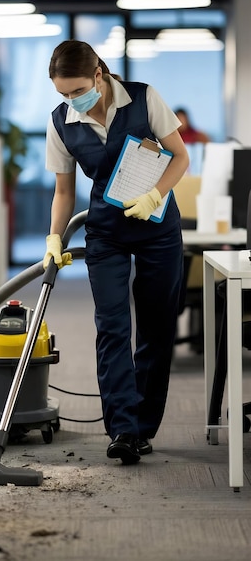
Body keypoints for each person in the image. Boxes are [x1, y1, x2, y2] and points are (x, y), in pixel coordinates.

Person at [43, 40, 189, 465]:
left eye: (77, 91)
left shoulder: (143, 98)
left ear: (98, 74)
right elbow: (63, 191)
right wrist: (55, 239)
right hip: (105, 233)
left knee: (157, 328)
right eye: (63, 94)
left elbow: (180, 158)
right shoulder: (60, 122)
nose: (72, 101)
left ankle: (144, 427)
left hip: (158, 227)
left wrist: (154, 195)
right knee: (112, 326)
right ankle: (123, 428)